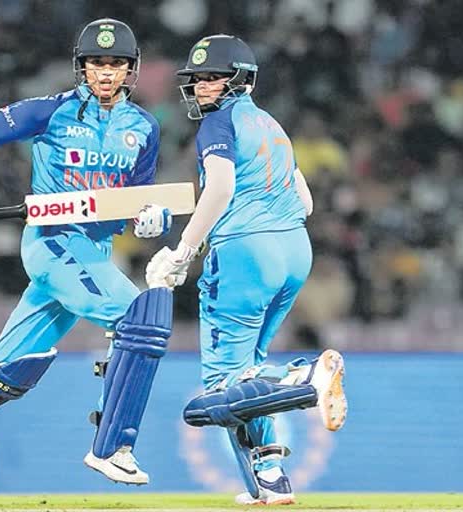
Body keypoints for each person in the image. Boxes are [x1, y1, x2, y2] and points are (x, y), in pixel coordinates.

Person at [0, 18, 175, 486]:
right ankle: (114, 443)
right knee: (139, 319)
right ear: (80, 68)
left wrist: (150, 218)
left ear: (131, 69)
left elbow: (130, 201)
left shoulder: (143, 127)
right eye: (97, 64)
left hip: (94, 251)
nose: (106, 73)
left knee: (10, 369)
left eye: (116, 64)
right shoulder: (51, 112)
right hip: (53, 242)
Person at [145, 35, 347, 505]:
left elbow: (219, 188)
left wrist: (183, 251)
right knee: (246, 374)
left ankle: (304, 377)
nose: (200, 88)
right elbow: (306, 202)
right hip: (295, 249)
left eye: (212, 78)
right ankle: (271, 479)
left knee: (219, 390)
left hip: (245, 256)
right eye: (196, 80)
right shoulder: (274, 125)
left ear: (240, 80)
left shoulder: (219, 123)